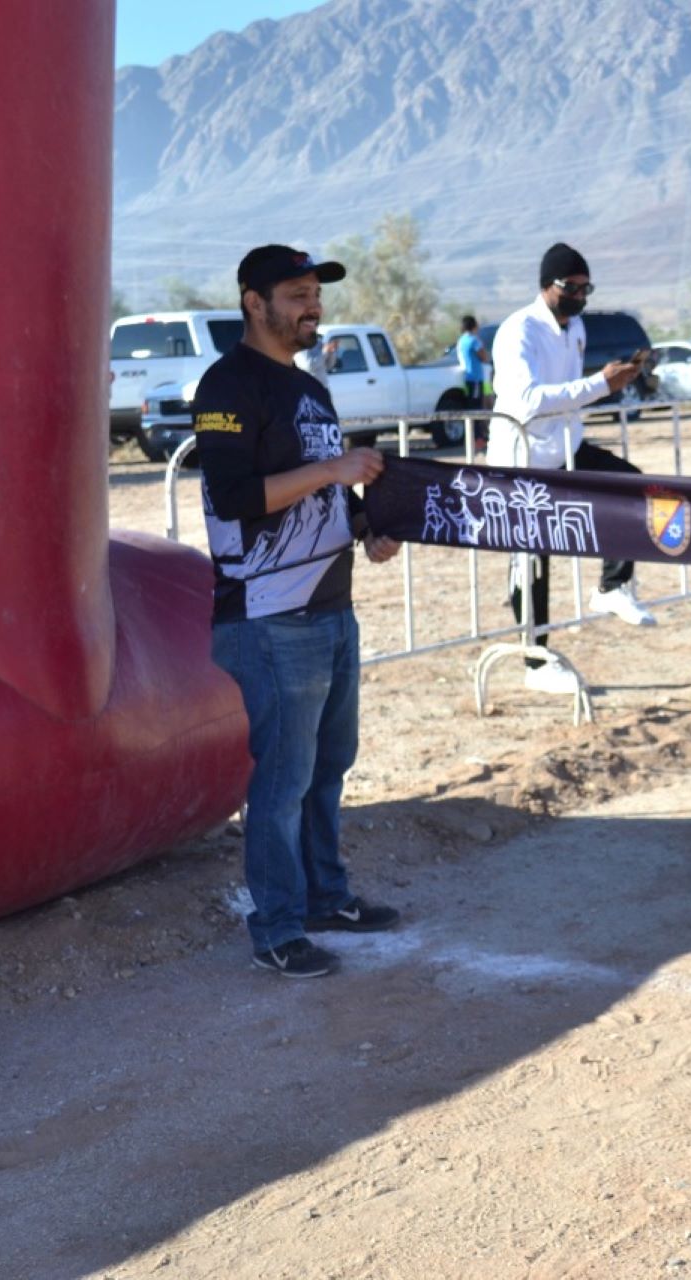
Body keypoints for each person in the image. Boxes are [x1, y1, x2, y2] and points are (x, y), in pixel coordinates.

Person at [193, 245, 404, 979]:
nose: (312, 305)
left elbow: (322, 495)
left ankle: (324, 897)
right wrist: (333, 469)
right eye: (296, 293)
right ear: (254, 301)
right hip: (268, 618)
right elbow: (234, 499)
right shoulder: (227, 384)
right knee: (282, 781)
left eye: (316, 293)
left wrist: (362, 525)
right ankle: (277, 928)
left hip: (330, 609)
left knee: (328, 767)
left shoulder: (310, 391)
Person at [487, 242, 655, 692]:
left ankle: (611, 586)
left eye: (587, 287)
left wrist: (608, 382)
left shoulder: (576, 328)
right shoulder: (518, 330)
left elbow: (571, 392)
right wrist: (598, 384)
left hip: (565, 448)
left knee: (631, 487)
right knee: (531, 558)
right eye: (572, 286)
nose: (580, 295)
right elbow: (526, 402)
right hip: (521, 459)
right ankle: (536, 663)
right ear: (547, 285)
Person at [456, 314, 490, 406]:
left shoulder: (461, 340)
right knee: (476, 405)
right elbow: (484, 357)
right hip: (476, 378)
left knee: (469, 403)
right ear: (474, 325)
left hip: (466, 377)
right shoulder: (474, 340)